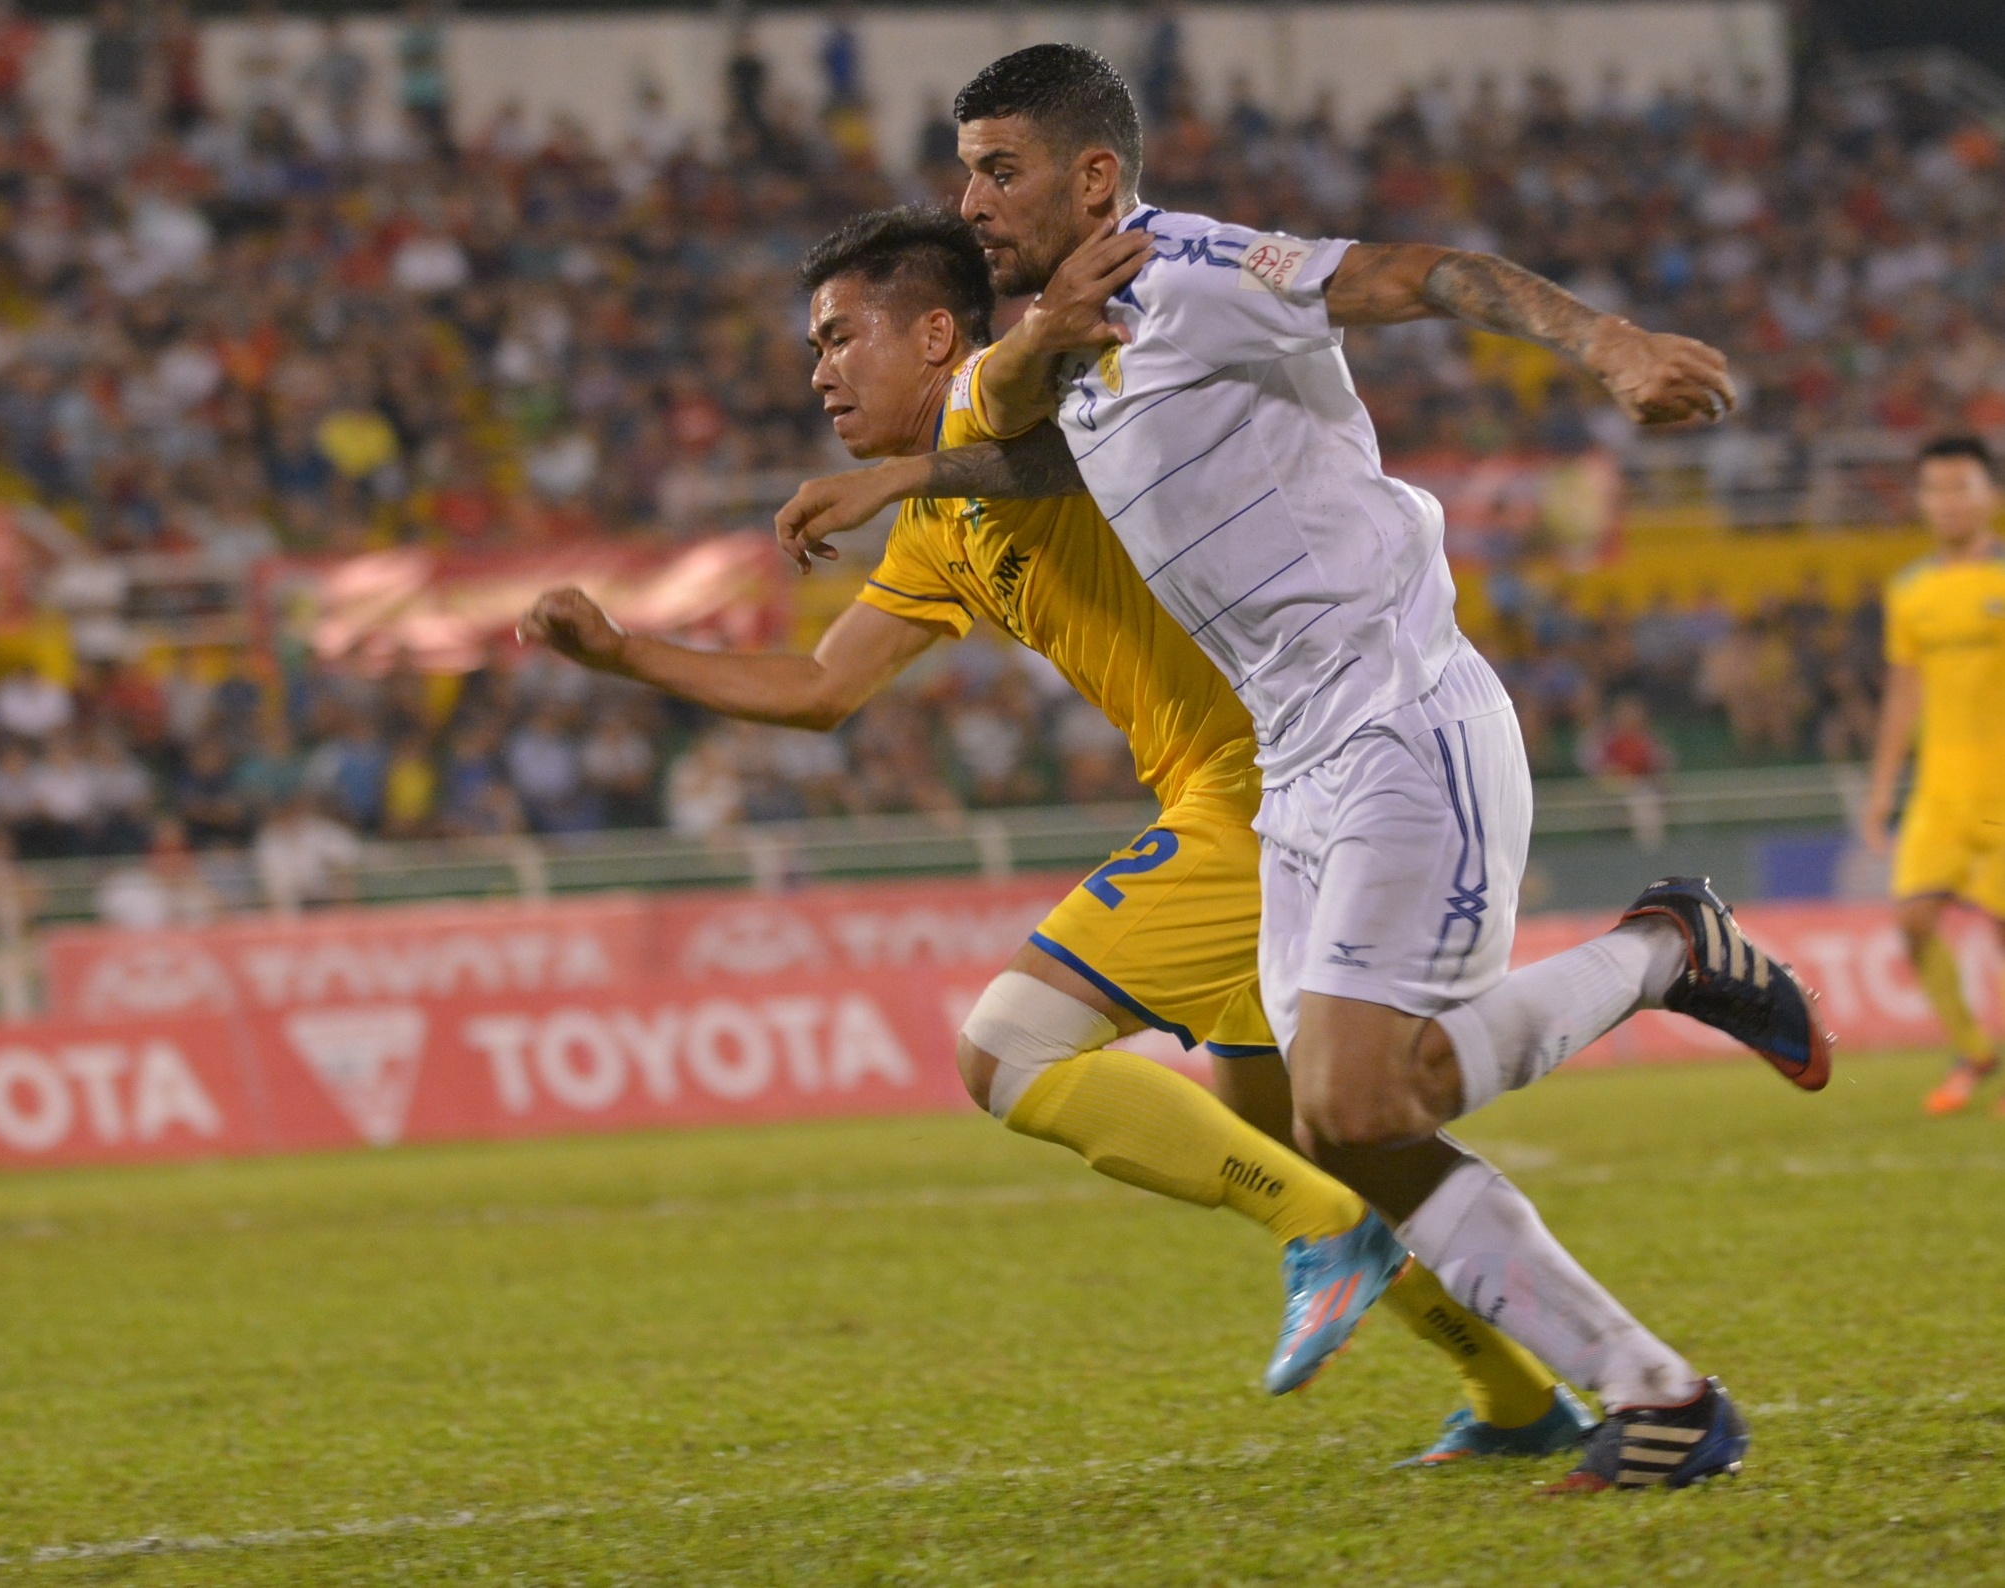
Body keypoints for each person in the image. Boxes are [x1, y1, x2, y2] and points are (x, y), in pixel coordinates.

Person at [773, 46, 1831, 1492]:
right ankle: (1648, 1330)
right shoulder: (1075, 335)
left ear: (1092, 176)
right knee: (1362, 1118)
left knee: (1363, 1108)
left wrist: (1609, 346)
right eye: (964, 167)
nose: (969, 196)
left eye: (996, 167)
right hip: (1295, 767)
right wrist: (910, 474)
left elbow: (1423, 273)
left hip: (1399, 714)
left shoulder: (1202, 270)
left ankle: (1663, 1039)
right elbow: (1042, 462)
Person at [525, 206, 1594, 1459]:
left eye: (838, 337)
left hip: (1272, 786)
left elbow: (1022, 370)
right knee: (1297, 1135)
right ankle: (1516, 1394)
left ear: (934, 334)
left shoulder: (995, 403)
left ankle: (1339, 1226)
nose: (817, 371)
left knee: (1010, 1046)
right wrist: (621, 655)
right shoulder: (939, 517)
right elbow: (821, 689)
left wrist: (1033, 328)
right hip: (1250, 789)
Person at [1861, 435, 2005, 1116]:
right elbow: (1902, 694)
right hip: (1940, 790)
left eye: (1961, 487)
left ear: (1991, 496)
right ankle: (1974, 1050)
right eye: (1935, 489)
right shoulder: (1910, 591)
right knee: (1913, 921)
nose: (1947, 501)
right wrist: (1881, 788)